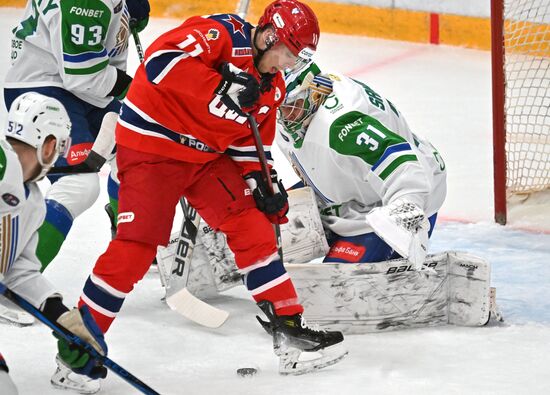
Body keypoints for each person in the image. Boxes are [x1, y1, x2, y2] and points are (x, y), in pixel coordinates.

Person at [77, 0, 347, 375]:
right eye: (286, 52)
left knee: (254, 226)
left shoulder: (272, 88)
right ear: (268, 36)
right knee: (135, 251)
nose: (287, 63)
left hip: (205, 160)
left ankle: (288, 329)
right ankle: (77, 347)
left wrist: (264, 183)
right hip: (152, 147)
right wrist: (220, 84)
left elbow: (248, 143)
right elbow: (158, 62)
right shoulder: (220, 35)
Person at [3, 0, 150, 272]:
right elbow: (83, 75)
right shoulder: (85, 2)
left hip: (81, 86)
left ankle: (130, 238)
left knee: (137, 148)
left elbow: (103, 65)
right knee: (79, 185)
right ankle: (12, 278)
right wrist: (140, 92)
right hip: (44, 86)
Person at [276, 61, 447, 266]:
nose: (283, 116)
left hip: (386, 201)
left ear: (315, 93)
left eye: (290, 106)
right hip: (342, 193)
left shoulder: (341, 127)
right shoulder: (297, 114)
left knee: (338, 286)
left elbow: (402, 164)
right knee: (261, 233)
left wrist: (406, 209)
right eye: (278, 106)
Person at [0, 92, 108, 394]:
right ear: (48, 144)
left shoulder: (32, 202)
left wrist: (62, 316)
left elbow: (17, 272)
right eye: (61, 146)